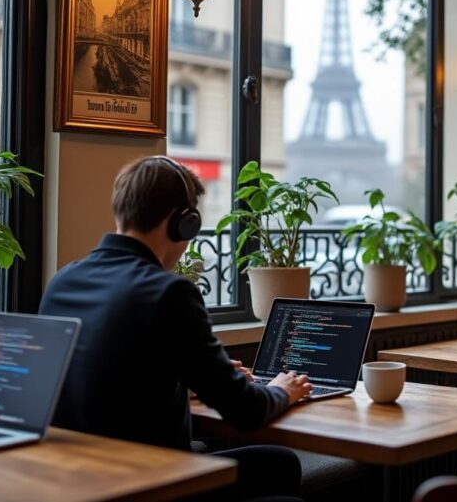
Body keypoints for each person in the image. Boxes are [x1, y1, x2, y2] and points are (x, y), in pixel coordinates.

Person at [39, 155, 311, 501]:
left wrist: (190, 377)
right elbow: (246, 412)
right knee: (284, 482)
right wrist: (283, 390)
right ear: (185, 223)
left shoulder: (63, 279)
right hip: (151, 481)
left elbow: (115, 377)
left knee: (279, 463)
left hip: (76, 479)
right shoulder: (168, 292)